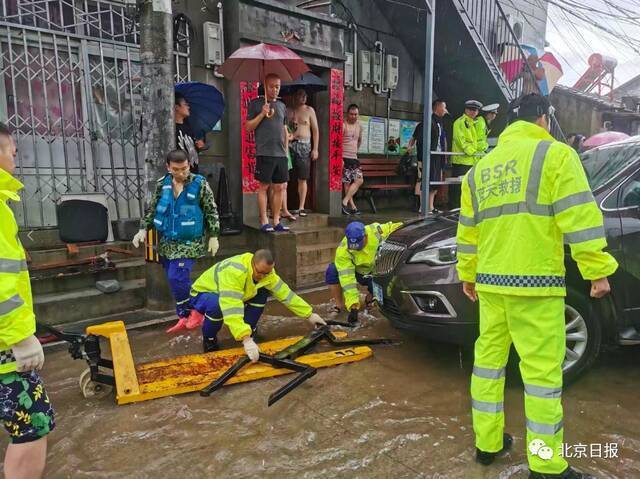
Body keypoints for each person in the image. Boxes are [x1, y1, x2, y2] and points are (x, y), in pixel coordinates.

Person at [456, 93, 617, 479]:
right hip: (536, 284)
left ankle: (488, 444)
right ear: (544, 119)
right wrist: (596, 269)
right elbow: (579, 216)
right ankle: (545, 465)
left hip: (491, 285)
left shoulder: (480, 169)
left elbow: (468, 230)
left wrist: (467, 273)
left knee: (489, 367)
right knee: (542, 377)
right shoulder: (556, 156)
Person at [0, 122, 55, 479]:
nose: (15, 162)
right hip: (5, 346)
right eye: (13, 153)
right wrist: (20, 337)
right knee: (33, 424)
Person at [132, 150, 220, 333]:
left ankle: (196, 311)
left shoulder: (199, 183)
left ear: (189, 165)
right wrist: (142, 229)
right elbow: (153, 208)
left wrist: (213, 235)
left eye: (184, 168)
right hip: (167, 242)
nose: (181, 173)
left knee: (177, 277)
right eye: (176, 169)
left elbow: (211, 209)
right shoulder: (162, 185)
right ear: (168, 168)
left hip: (189, 241)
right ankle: (184, 315)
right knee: (175, 281)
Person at [189, 249, 327, 355]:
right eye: (260, 272)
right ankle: (210, 339)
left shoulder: (267, 273)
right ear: (253, 264)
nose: (263, 276)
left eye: (267, 273)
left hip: (236, 292)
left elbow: (286, 294)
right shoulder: (235, 272)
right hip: (204, 293)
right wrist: (245, 338)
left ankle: (250, 328)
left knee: (262, 291)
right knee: (217, 305)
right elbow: (231, 306)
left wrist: (309, 314)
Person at [325, 221, 403, 321]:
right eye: (353, 246)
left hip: (376, 271)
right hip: (357, 272)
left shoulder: (377, 231)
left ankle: (370, 297)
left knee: (378, 300)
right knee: (332, 270)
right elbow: (347, 280)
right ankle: (339, 305)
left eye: (358, 245)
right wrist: (353, 306)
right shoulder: (343, 251)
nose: (356, 249)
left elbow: (396, 227)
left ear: (365, 236)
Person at [245, 73, 290, 233]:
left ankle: (276, 220)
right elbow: (248, 127)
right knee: (263, 186)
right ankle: (264, 220)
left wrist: (286, 149)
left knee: (279, 187)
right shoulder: (256, 103)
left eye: (277, 86)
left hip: (281, 154)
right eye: (271, 86)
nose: (275, 90)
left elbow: (284, 129)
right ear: (265, 86)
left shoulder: (282, 106)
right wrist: (262, 114)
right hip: (264, 152)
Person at [409, 99, 448, 214]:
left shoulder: (439, 122)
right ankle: (422, 206)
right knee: (424, 181)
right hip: (428, 157)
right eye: (444, 107)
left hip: (437, 156)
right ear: (438, 107)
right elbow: (419, 140)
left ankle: (431, 206)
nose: (445, 110)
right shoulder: (427, 122)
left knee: (434, 182)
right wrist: (422, 157)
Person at [287, 89, 319, 217]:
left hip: (305, 144)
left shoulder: (309, 110)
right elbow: (285, 129)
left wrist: (315, 149)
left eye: (305, 95)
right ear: (295, 96)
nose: (303, 97)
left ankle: (301, 207)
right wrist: (292, 124)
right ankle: (286, 207)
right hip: (291, 144)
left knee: (303, 177)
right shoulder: (289, 110)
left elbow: (315, 130)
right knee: (286, 176)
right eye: (300, 95)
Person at [451, 99, 483, 208]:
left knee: (467, 186)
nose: (473, 112)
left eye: (475, 110)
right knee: (458, 187)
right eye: (471, 109)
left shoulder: (473, 123)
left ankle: (463, 206)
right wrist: (472, 152)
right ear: (466, 110)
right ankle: (454, 207)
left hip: (470, 160)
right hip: (461, 160)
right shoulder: (460, 122)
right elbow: (460, 140)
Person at [175, 92, 205, 174]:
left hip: (193, 174)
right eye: (185, 104)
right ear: (176, 107)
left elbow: (192, 149)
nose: (188, 107)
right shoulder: (171, 129)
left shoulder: (189, 127)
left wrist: (199, 146)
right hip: (179, 175)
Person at [342, 104, 364, 216]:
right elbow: (337, 143)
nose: (354, 116)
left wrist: (355, 150)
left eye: (356, 114)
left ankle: (344, 202)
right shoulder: (343, 125)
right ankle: (352, 207)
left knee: (359, 180)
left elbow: (359, 140)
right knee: (347, 183)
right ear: (347, 114)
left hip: (354, 157)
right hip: (344, 158)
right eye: (351, 114)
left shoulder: (359, 126)